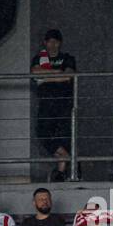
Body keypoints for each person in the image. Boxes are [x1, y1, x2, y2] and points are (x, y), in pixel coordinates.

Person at [30, 28, 76, 181]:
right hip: (46, 103)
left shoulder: (67, 58)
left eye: (55, 41)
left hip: (64, 103)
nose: (52, 45)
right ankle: (67, 159)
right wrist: (58, 74)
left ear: (60, 43)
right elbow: (35, 73)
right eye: (49, 41)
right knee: (43, 133)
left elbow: (68, 75)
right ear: (45, 42)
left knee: (64, 136)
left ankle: (61, 172)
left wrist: (47, 76)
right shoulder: (39, 58)